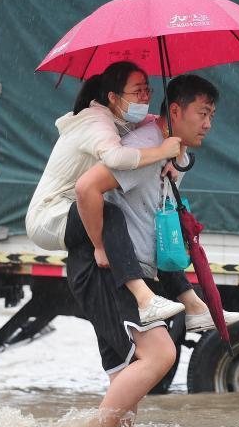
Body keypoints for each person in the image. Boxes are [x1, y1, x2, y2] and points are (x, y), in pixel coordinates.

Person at [68, 74, 239, 427]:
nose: (209, 124)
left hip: (128, 269)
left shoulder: (168, 149)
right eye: (203, 113)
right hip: (106, 269)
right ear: (176, 110)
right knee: (161, 354)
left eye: (212, 115)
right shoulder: (148, 144)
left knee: (127, 392)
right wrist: (101, 246)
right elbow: (86, 187)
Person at [26, 61, 186, 324]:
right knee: (111, 213)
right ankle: (145, 301)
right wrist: (100, 246)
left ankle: (192, 304)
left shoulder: (121, 117)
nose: (145, 97)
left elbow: (159, 126)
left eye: (148, 90)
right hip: (51, 215)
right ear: (113, 97)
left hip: (81, 207)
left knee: (151, 229)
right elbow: (115, 157)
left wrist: (174, 152)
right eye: (138, 92)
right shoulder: (94, 121)